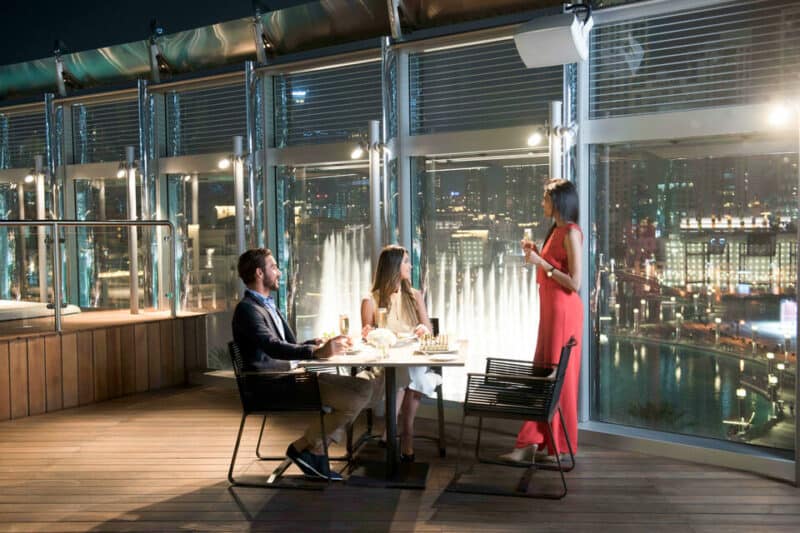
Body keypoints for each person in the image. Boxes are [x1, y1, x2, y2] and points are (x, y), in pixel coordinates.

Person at [232, 248, 382, 481]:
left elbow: (284, 344)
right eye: (273, 267)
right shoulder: (247, 310)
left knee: (367, 387)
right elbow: (272, 346)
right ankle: (309, 448)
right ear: (260, 273)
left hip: (292, 377)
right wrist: (316, 351)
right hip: (272, 386)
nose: (279, 272)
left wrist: (314, 343)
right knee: (358, 396)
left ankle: (309, 447)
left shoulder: (265, 304)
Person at [500, 179, 583, 464]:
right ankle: (535, 441)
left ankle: (553, 445)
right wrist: (538, 253)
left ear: (559, 201)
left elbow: (575, 282)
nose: (542, 203)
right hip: (550, 310)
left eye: (545, 198)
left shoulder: (571, 232)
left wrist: (542, 264)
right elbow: (552, 266)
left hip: (563, 311)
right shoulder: (555, 231)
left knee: (556, 378)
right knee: (543, 373)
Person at [361, 245, 440, 463]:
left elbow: (429, 332)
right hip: (385, 362)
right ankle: (407, 439)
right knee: (410, 377)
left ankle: (395, 431)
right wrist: (371, 334)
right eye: (406, 261)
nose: (410, 265)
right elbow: (366, 337)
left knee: (410, 374)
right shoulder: (371, 300)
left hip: (412, 358)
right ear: (394, 266)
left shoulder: (414, 296)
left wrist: (423, 330)